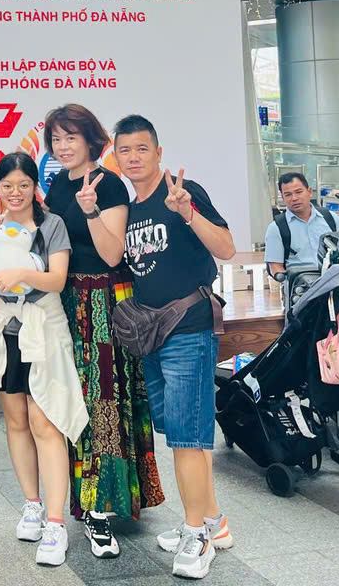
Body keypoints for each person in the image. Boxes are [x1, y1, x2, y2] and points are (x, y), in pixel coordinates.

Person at [112, 114, 235, 580]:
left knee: (186, 437)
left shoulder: (182, 192)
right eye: (125, 150)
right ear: (116, 157)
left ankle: (196, 535)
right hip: (151, 334)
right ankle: (214, 521)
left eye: (142, 148)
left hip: (189, 329)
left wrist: (188, 212)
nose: (134, 157)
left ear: (159, 153)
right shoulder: (129, 210)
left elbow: (225, 247)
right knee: (184, 433)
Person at [43, 104, 162, 559]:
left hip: (103, 303)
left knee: (104, 404)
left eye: (70, 137)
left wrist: (91, 211)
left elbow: (113, 255)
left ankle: (100, 508)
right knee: (72, 403)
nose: (63, 147)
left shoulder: (109, 184)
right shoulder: (57, 184)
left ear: (91, 140)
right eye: (56, 139)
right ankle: (86, 498)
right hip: (65, 300)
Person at [0, 152, 86, 568]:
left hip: (42, 329)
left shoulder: (51, 224)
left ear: (35, 187)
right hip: (5, 332)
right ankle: (32, 505)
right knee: (17, 421)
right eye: (7, 186)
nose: (15, 193)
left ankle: (56, 523)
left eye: (23, 185)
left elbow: (57, 279)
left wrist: (23, 275)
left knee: (46, 422)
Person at [263, 173, 336, 283]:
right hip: (300, 285)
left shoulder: (330, 218)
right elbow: (275, 266)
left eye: (299, 192)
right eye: (288, 194)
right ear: (283, 197)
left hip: (334, 280)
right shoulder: (277, 228)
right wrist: (285, 280)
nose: (294, 198)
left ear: (310, 192)